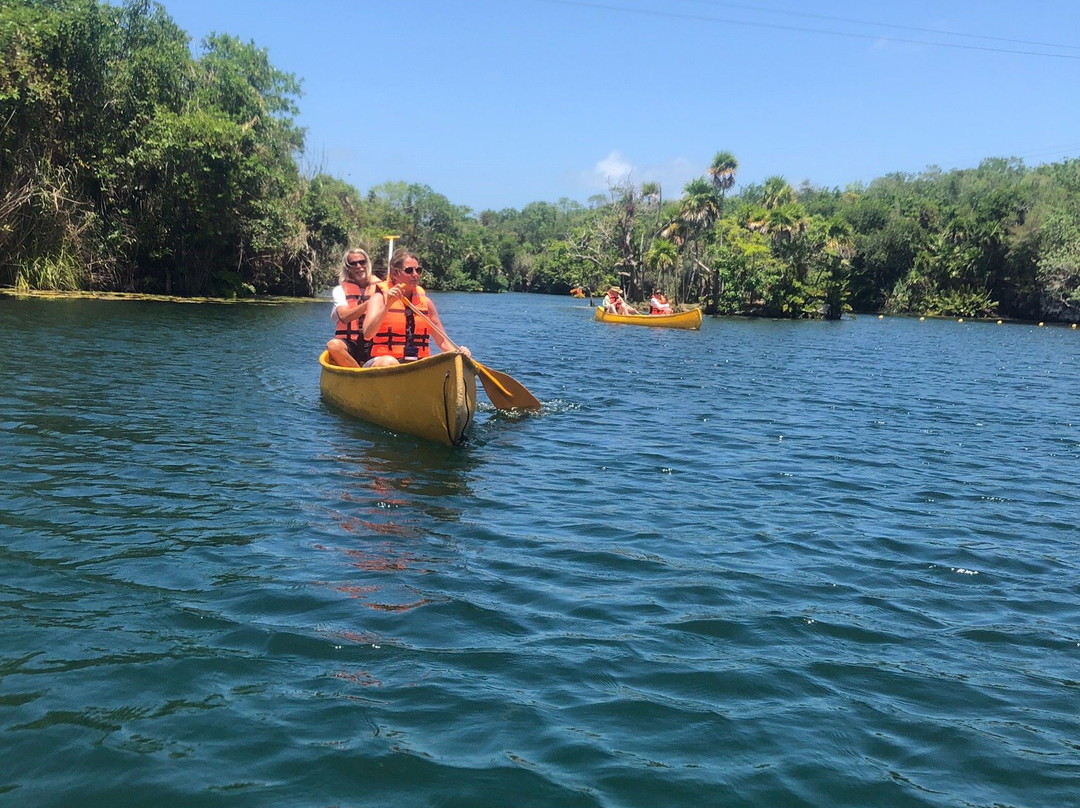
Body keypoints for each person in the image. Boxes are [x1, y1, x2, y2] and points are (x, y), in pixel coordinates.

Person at [362, 248, 470, 367]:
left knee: (450, 363)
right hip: (382, 362)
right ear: (394, 273)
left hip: (415, 363)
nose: (415, 275)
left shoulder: (426, 303)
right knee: (389, 362)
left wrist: (459, 354)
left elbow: (442, 341)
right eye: (409, 271)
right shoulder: (379, 298)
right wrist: (388, 305)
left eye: (418, 270)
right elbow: (368, 334)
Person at [326, 248, 383, 367]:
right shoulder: (340, 291)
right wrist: (370, 302)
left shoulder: (382, 289)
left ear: (368, 264)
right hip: (350, 343)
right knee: (333, 346)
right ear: (348, 268)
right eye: (353, 263)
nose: (358, 266)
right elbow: (344, 317)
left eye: (362, 262)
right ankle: (359, 375)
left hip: (375, 343)